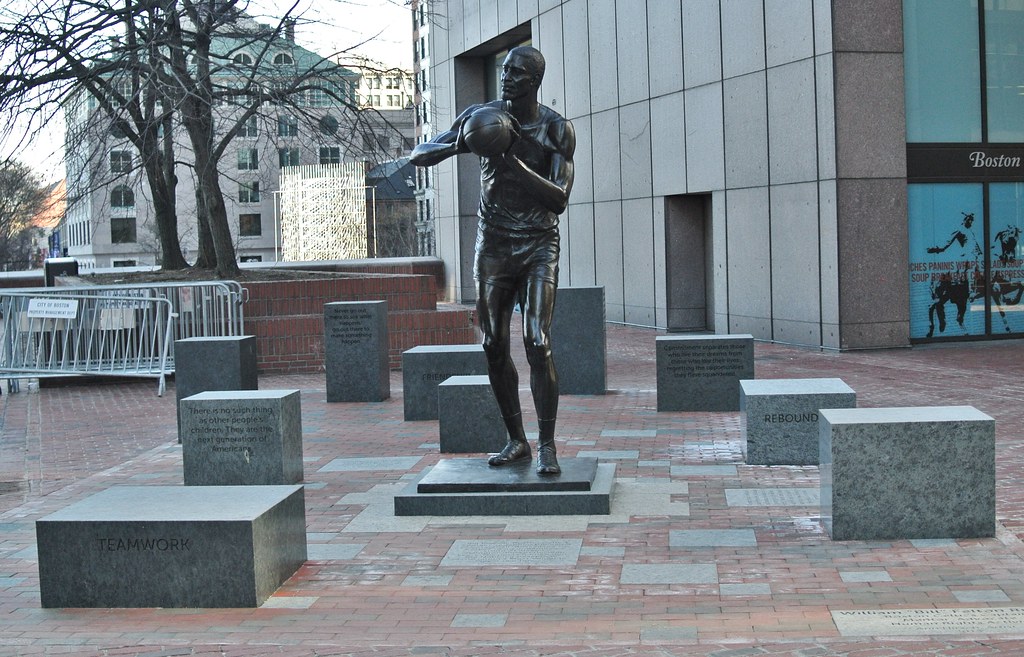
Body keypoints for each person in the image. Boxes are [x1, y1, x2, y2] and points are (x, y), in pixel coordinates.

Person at [410, 46, 575, 475]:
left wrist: (508, 160)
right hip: (494, 246)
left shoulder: (556, 129)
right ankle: (516, 439)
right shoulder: (481, 116)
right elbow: (418, 155)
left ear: (535, 80)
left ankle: (549, 445)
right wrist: (459, 146)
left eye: (518, 73)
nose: (507, 77)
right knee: (492, 344)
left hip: (539, 243)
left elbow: (558, 198)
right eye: (505, 70)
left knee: (537, 340)